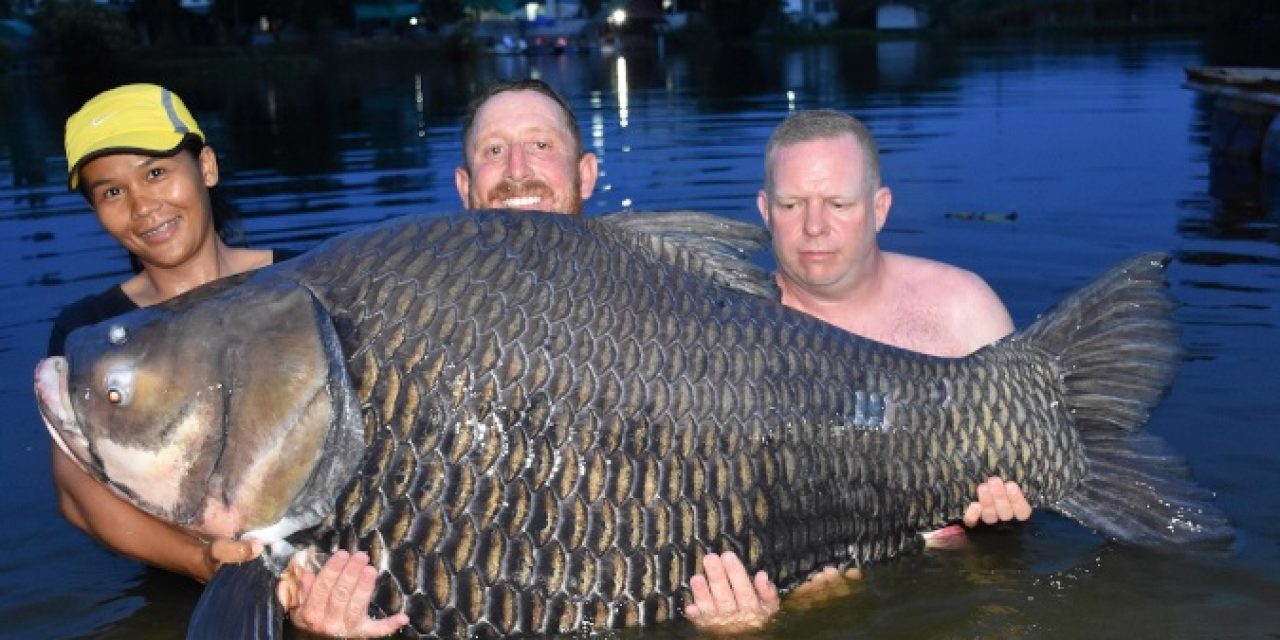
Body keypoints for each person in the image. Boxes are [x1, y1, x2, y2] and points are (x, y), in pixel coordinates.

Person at [46, 83, 409, 639]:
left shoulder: (306, 283)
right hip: (184, 589)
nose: (143, 207)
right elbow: (77, 495)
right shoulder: (94, 337)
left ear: (207, 166)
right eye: (111, 192)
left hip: (343, 577)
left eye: (155, 173)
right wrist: (203, 562)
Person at [682, 109, 1035, 632]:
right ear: (764, 210)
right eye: (792, 204)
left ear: (880, 208)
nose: (815, 226)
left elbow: (1033, 478)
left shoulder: (964, 309)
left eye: (839, 204)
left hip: (960, 579)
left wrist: (1012, 506)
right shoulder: (724, 339)